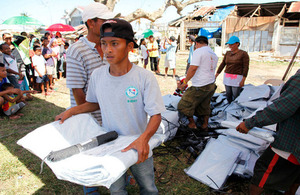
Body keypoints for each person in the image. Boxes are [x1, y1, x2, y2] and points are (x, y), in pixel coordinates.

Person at [56, 18, 165, 195]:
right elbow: (94, 103)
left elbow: (155, 115)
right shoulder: (98, 76)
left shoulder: (144, 77)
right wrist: (72, 111)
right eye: (104, 44)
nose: (108, 50)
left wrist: (144, 139)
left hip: (138, 143)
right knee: (117, 189)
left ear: (130, 47)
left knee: (148, 187)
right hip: (111, 144)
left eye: (114, 43)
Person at [236, 69, 300, 195]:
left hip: (291, 142)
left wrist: (250, 123)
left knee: (263, 170)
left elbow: (281, 108)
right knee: (295, 175)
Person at [66, 2, 120, 126]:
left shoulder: (110, 47)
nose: (110, 25)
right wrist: (91, 121)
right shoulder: (77, 50)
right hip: (90, 121)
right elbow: (77, 91)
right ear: (91, 23)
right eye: (105, 21)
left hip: (111, 117)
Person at [177, 36, 218, 130]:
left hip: (200, 85)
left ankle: (192, 124)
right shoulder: (213, 53)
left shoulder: (198, 51)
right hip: (210, 84)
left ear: (197, 43)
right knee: (205, 105)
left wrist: (185, 82)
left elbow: (193, 68)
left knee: (183, 105)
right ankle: (205, 125)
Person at [215, 36, 249, 103]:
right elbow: (222, 64)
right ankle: (229, 106)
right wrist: (216, 75)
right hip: (227, 76)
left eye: (232, 44)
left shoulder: (243, 54)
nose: (230, 46)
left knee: (236, 94)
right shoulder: (227, 53)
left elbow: (246, 67)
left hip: (237, 77)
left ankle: (236, 107)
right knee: (228, 94)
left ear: (237, 44)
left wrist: (243, 80)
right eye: (229, 44)